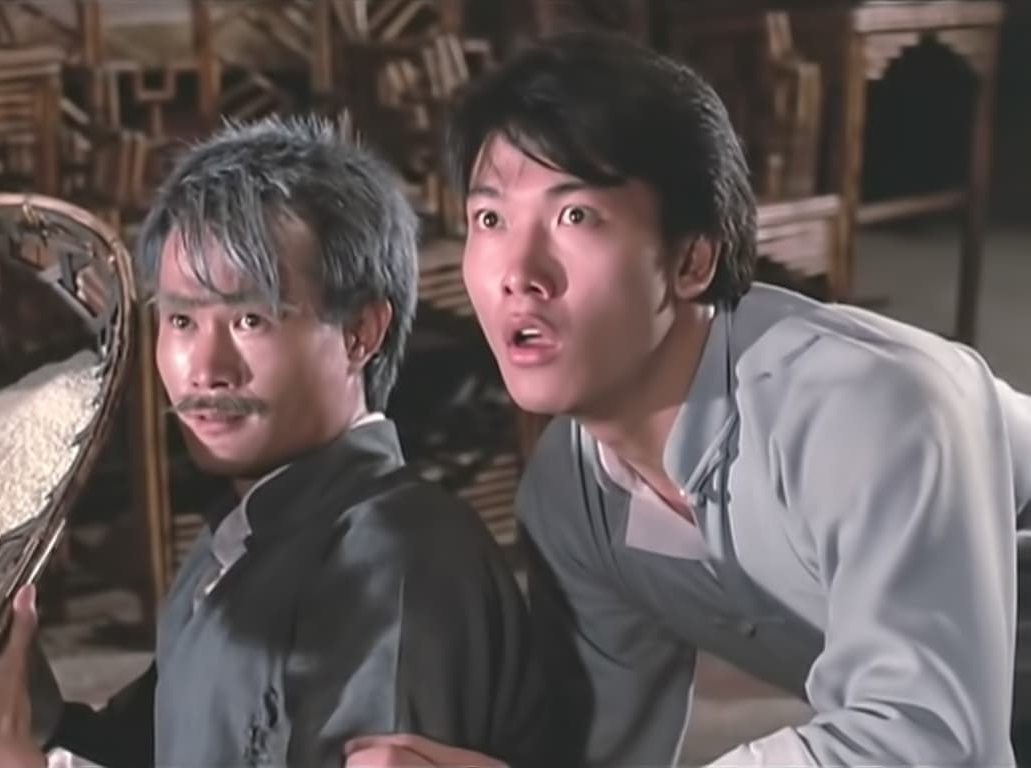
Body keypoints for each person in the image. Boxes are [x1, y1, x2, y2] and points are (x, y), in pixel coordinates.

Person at [345, 30, 1031, 768]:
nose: (518, 272)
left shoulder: (868, 409)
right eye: (490, 219)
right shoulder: (569, 495)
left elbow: (929, 741)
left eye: (575, 216)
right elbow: (603, 753)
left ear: (692, 259)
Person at [0, 115, 554, 768]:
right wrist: (29, 717)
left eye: (251, 319)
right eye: (182, 320)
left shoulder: (401, 562)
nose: (204, 366)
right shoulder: (237, 544)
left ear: (360, 332)